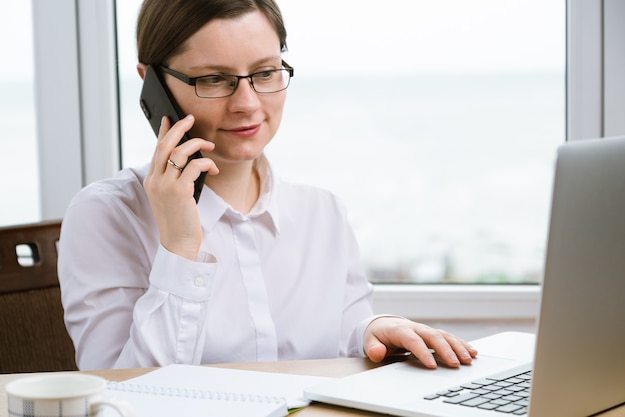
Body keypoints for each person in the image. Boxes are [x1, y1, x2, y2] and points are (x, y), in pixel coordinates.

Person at [58, 0, 477, 370]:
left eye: (264, 72)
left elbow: (340, 338)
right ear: (152, 84)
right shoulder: (105, 215)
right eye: (214, 79)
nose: (247, 104)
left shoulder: (322, 211)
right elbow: (120, 394)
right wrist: (179, 250)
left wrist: (373, 329)